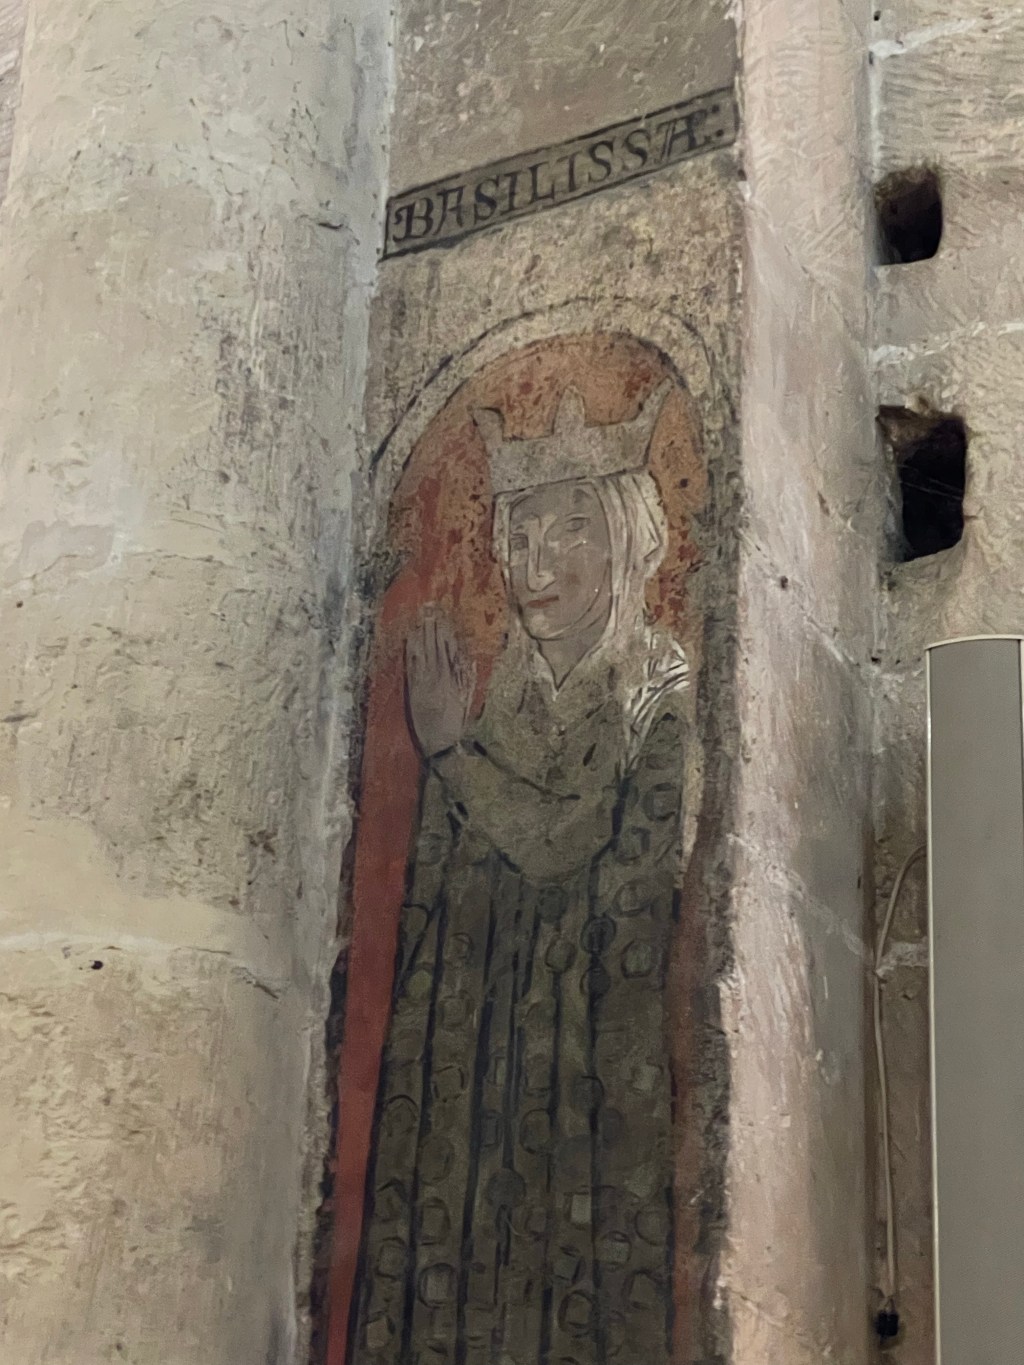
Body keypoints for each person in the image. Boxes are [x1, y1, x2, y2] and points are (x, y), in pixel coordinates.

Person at [350, 381, 691, 1365]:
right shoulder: (497, 704)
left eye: (565, 535)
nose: (533, 569)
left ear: (625, 540)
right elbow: (440, 916)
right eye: (519, 540)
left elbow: (568, 847)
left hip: (587, 1102)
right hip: (479, 1101)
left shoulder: (654, 697)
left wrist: (453, 762)